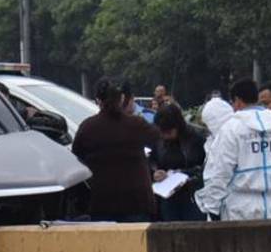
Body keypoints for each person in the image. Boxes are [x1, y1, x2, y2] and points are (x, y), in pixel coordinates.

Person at [71, 77, 162, 222]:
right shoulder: (136, 124)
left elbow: (76, 157)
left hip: (102, 201)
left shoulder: (87, 127)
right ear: (122, 98)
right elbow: (158, 138)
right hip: (136, 201)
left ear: (97, 101)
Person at [199, 79, 271, 221]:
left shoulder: (230, 129)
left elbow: (220, 172)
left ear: (237, 101)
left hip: (241, 209)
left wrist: (212, 207)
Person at [149, 103, 207, 222]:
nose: (165, 136)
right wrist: (155, 172)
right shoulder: (158, 139)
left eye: (168, 132)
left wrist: (181, 173)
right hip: (166, 197)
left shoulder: (196, 138)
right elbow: (151, 160)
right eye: (162, 132)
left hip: (191, 196)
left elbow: (204, 168)